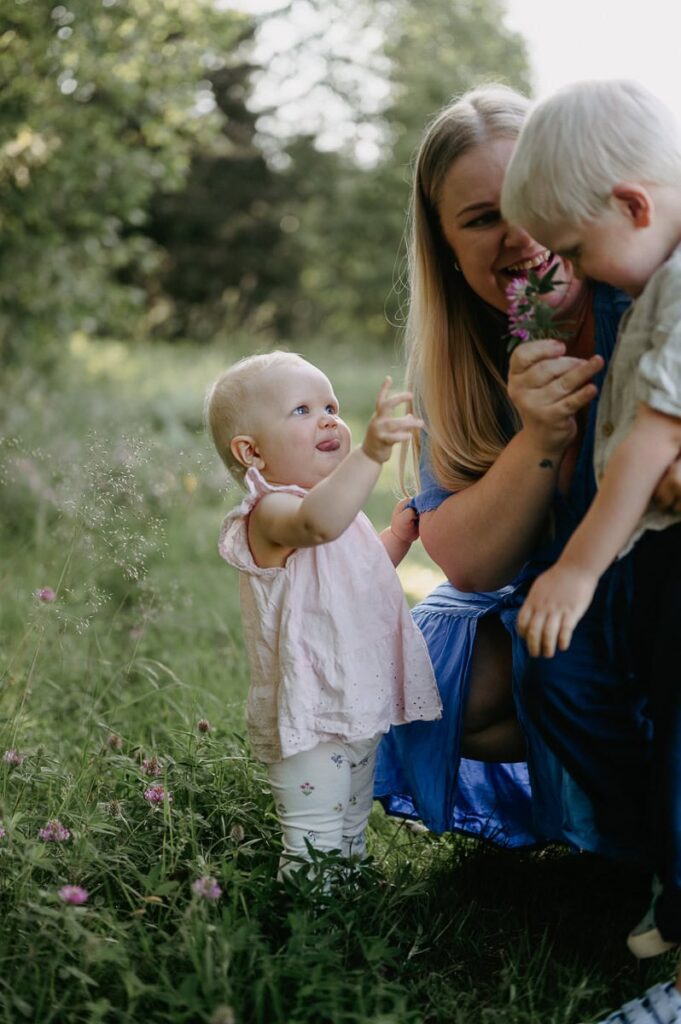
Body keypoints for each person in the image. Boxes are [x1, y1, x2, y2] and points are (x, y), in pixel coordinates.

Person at [374, 81, 681, 865]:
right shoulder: (461, 356)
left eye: (529, 205)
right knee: (462, 678)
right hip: (563, 601)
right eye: (481, 219)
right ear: (444, 244)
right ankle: (639, 848)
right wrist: (539, 437)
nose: (523, 241)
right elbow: (469, 564)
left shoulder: (647, 287)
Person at [502, 79, 681, 1023]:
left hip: (652, 550)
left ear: (633, 205)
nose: (578, 271)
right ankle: (662, 860)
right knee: (574, 670)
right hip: (649, 553)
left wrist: (576, 565)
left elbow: (655, 438)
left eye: (576, 249)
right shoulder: (649, 272)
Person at [206, 351, 441, 877]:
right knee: (315, 844)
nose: (329, 418)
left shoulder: (338, 512)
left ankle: (348, 911)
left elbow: (357, 574)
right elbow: (318, 526)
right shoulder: (272, 513)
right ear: (252, 453)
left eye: (331, 405)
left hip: (353, 701)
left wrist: (396, 540)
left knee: (351, 833)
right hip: (306, 716)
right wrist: (372, 453)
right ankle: (309, 933)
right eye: (302, 410)